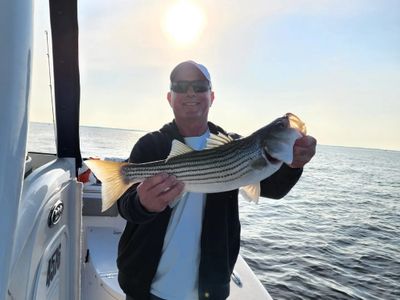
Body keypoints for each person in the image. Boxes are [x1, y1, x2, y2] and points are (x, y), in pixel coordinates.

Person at [116, 60, 317, 300]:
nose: (190, 92)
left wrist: (294, 165)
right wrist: (142, 204)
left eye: (199, 86)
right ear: (170, 98)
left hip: (208, 292)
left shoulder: (235, 145)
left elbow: (274, 189)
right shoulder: (151, 145)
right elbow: (125, 206)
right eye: (180, 86)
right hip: (144, 289)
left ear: (211, 97)